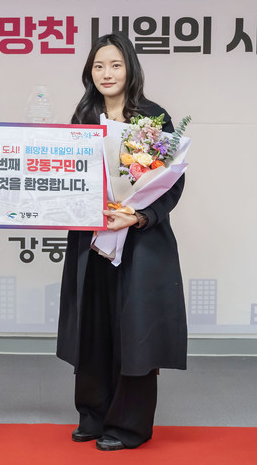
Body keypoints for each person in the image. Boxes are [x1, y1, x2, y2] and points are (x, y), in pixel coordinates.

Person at [56, 33, 187, 451]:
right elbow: (70, 174)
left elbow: (172, 182)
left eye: (115, 65)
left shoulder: (153, 117)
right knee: (93, 326)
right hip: (92, 240)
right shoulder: (84, 115)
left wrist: (138, 215)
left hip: (139, 242)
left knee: (134, 331)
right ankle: (93, 415)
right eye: (98, 66)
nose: (106, 73)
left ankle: (129, 425)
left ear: (130, 68)